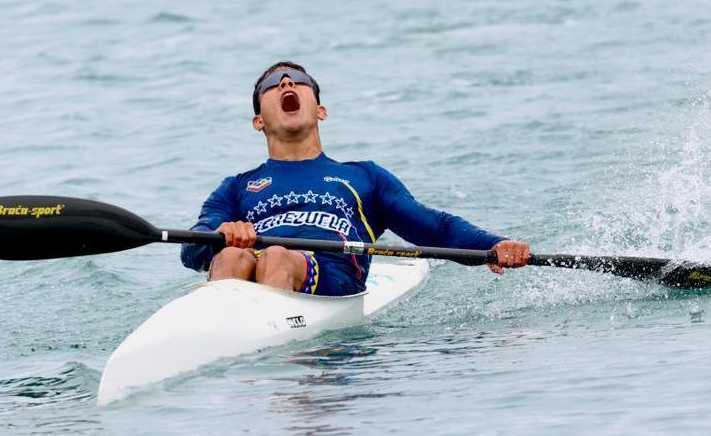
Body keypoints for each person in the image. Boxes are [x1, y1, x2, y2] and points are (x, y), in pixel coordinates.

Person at [181, 61, 530, 296]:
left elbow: (433, 228)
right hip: (255, 273)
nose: (286, 82)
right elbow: (192, 250)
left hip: (332, 275)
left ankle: (281, 386)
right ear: (258, 121)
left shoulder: (363, 177)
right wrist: (220, 237)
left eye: (299, 81)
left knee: (275, 256)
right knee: (230, 258)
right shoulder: (236, 187)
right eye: (272, 84)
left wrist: (493, 246)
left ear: (320, 110)